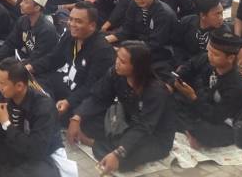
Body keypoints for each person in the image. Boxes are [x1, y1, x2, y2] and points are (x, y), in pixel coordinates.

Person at [69, 41, 177, 172]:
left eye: (123, 61)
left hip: (153, 136)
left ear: (137, 67)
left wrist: (117, 153)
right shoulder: (115, 73)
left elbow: (144, 127)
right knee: (86, 122)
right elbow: (99, 98)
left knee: (123, 160)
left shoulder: (156, 91)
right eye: (117, 57)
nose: (117, 63)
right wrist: (77, 117)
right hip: (127, 123)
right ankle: (105, 145)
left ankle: (98, 145)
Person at [0, 57, 68, 177]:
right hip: (10, 146)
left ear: (19, 86)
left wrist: (6, 123)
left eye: (2, 84)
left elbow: (36, 150)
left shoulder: (43, 107)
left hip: (39, 156)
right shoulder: (0, 94)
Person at [171, 29, 242, 149]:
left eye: (215, 54)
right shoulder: (208, 60)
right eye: (209, 51)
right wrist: (176, 81)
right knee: (171, 101)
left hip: (223, 122)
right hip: (204, 105)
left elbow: (216, 117)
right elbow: (189, 67)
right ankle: (189, 129)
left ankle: (192, 133)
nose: (210, 56)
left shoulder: (236, 86)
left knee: (204, 129)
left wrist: (193, 97)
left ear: (230, 58)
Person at [40, 2, 115, 127]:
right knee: (34, 80)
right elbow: (53, 59)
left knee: (64, 116)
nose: (72, 24)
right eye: (71, 19)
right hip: (67, 84)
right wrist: (31, 67)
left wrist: (69, 102)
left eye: (78, 21)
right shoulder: (70, 35)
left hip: (84, 98)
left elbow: (92, 87)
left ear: (92, 26)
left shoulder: (102, 50)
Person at [106, 0, 177, 67]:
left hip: (160, 51)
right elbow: (127, 29)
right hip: (138, 43)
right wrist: (105, 40)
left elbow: (155, 44)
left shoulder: (163, 13)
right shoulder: (134, 4)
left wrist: (123, 50)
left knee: (119, 59)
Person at [0, 0, 58, 72]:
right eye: (22, 0)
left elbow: (38, 58)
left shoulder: (47, 30)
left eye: (26, 2)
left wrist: (13, 68)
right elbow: (10, 44)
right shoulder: (22, 20)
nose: (21, 4)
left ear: (37, 8)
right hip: (27, 59)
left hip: (41, 68)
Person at [173, 0, 230, 65]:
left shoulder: (223, 33)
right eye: (217, 14)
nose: (221, 18)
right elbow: (177, 45)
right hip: (183, 63)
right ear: (203, 15)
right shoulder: (187, 22)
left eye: (222, 13)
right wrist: (180, 64)